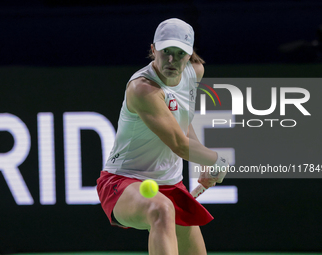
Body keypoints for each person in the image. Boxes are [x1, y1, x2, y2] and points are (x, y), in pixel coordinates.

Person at [97, 18, 228, 255]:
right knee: (161, 210)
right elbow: (178, 144)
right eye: (166, 51)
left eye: (180, 54)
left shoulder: (194, 73)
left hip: (171, 185)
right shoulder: (143, 88)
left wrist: (204, 161)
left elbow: (181, 125)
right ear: (153, 49)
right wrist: (216, 159)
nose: (171, 60)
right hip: (124, 182)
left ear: (189, 55)